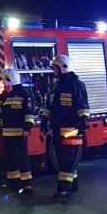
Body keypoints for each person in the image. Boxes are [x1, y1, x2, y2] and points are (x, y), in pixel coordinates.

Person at [40, 54, 89, 201]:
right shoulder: (55, 86)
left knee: (67, 160)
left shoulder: (76, 84)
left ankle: (64, 189)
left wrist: (83, 121)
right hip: (57, 129)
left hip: (70, 130)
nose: (54, 71)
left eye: (55, 68)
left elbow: (82, 105)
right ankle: (73, 184)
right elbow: (50, 106)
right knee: (63, 159)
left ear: (63, 68)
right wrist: (44, 120)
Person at [0, 67, 35, 194]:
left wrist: (27, 127)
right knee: (9, 158)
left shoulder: (25, 94)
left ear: (9, 79)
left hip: (20, 132)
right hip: (7, 132)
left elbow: (29, 112)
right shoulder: (6, 94)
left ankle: (27, 184)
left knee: (22, 158)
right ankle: (13, 183)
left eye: (4, 80)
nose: (3, 83)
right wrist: (5, 93)